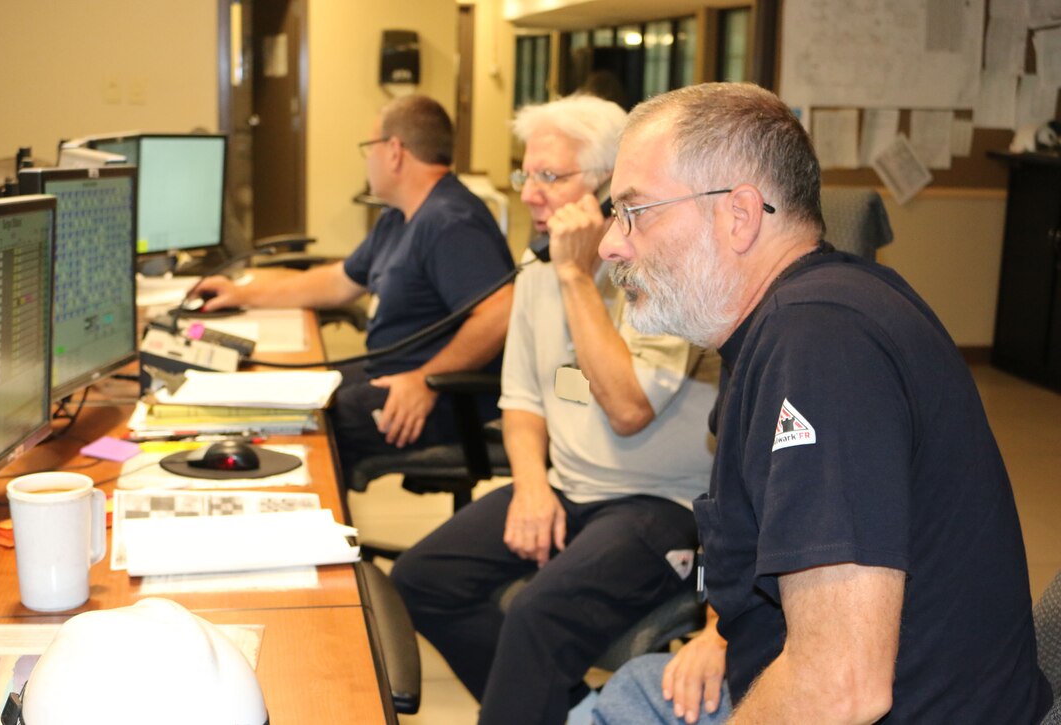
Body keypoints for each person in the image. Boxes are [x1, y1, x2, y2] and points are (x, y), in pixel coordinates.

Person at [592, 82, 1051, 723]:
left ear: (740, 215)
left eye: (635, 211)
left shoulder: (819, 346)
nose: (611, 243)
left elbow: (841, 688)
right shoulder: (796, 318)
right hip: (800, 675)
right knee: (631, 691)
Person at [390, 93, 721, 725]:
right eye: (526, 174)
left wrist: (576, 277)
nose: (530, 194)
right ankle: (568, 710)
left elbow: (627, 408)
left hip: (661, 505)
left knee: (537, 616)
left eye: (551, 176)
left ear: (608, 189)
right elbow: (521, 401)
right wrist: (531, 488)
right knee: (420, 578)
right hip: (568, 488)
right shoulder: (537, 267)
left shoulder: (661, 273)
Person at [193, 95, 515, 479]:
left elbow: (501, 311)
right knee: (289, 398)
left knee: (307, 432)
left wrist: (424, 381)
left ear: (394, 151)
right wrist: (242, 293)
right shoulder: (399, 217)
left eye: (370, 148)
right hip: (394, 373)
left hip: (446, 396)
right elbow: (336, 282)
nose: (367, 160)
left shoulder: (451, 222)